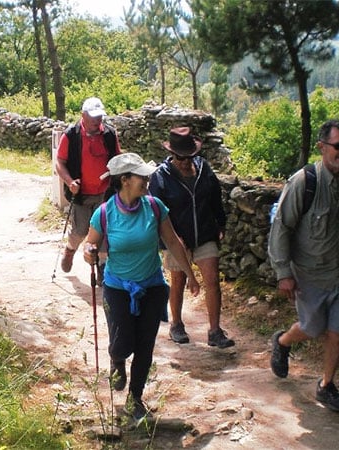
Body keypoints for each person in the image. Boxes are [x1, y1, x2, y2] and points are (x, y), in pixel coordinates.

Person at [82, 153, 200, 424]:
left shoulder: (155, 206)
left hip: (152, 286)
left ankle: (135, 398)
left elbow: (172, 241)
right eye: (141, 176)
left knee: (145, 346)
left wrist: (190, 275)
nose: (147, 180)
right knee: (123, 343)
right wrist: (89, 252)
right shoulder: (105, 213)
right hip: (117, 287)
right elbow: (90, 244)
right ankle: (117, 360)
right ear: (125, 180)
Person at [267, 119, 339, 413]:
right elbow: (282, 228)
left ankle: (326, 386)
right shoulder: (304, 182)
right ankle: (284, 341)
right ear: (322, 147)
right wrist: (283, 273)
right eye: (338, 146)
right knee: (313, 328)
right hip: (309, 273)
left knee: (338, 331)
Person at [149, 127, 234, 349]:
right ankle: (176, 324)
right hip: (177, 239)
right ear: (172, 155)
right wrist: (173, 238)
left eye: (190, 157)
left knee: (212, 280)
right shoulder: (160, 177)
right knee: (178, 281)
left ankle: (215, 331)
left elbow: (215, 197)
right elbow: (158, 212)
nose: (186, 162)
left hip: (205, 233)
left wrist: (220, 223)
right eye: (181, 158)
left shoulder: (204, 169)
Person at [54, 97, 121, 273]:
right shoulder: (72, 135)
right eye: (93, 117)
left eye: (99, 117)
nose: (97, 121)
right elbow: (59, 162)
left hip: (105, 193)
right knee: (81, 230)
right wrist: (69, 182)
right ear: (83, 115)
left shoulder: (109, 134)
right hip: (81, 193)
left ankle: (102, 268)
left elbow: (117, 160)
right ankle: (70, 250)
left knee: (104, 231)